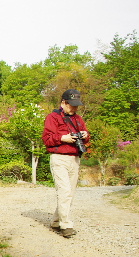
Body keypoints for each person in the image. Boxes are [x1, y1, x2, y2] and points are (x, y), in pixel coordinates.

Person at [42, 89, 90, 238]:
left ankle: (56, 222)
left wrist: (85, 135)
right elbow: (47, 139)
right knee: (64, 191)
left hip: (74, 159)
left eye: (76, 105)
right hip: (59, 158)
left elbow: (86, 137)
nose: (75, 108)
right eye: (72, 105)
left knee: (70, 193)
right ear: (63, 102)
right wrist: (63, 138)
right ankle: (66, 225)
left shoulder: (78, 119)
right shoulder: (52, 117)